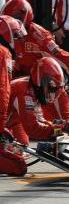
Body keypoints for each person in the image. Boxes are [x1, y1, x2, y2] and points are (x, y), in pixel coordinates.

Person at [0, 0, 69, 90]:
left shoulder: (39, 36)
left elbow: (63, 57)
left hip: (40, 86)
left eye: (12, 19)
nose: (10, 23)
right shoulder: (4, 30)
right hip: (13, 79)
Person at [6, 57, 69, 147]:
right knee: (15, 158)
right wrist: (59, 130)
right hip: (5, 122)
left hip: (13, 120)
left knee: (22, 147)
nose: (52, 94)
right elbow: (33, 129)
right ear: (40, 80)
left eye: (55, 89)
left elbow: (39, 121)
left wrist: (59, 125)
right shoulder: (24, 91)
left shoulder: (33, 90)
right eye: (51, 88)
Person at [0, 15, 27, 176]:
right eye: (16, 36)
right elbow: (2, 93)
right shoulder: (3, 53)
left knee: (21, 143)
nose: (19, 41)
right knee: (19, 165)